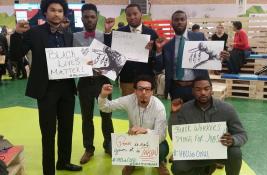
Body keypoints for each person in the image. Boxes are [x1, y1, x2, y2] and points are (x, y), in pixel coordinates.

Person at [9, 0, 82, 174]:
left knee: (66, 129)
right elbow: (16, 55)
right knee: (48, 133)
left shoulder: (68, 35)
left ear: (64, 14)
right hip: (46, 89)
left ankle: (63, 162)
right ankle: (48, 170)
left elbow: (75, 60)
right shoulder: (34, 33)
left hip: (66, 88)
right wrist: (16, 35)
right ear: (45, 12)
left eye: (60, 11)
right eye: (53, 10)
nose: (56, 14)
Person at [169, 75, 248, 175]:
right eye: (198, 89)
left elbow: (242, 134)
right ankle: (206, 169)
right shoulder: (184, 109)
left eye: (206, 89)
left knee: (235, 152)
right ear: (192, 91)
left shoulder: (227, 109)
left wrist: (233, 140)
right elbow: (175, 137)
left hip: (218, 153)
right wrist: (174, 114)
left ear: (211, 90)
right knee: (177, 167)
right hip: (194, 153)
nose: (203, 93)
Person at [98, 75, 170, 175]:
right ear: (135, 91)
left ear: (152, 92)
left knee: (163, 149)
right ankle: (131, 162)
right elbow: (105, 107)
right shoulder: (129, 100)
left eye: (147, 89)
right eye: (140, 89)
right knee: (111, 146)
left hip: (152, 140)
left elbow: (161, 134)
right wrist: (103, 96)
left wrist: (145, 131)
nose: (144, 93)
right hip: (133, 139)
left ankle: (158, 162)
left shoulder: (159, 107)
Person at [155, 10, 230, 102]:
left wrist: (221, 56)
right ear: (172, 23)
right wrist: (158, 51)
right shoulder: (167, 46)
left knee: (198, 115)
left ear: (186, 21)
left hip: (197, 87)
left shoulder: (199, 37)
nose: (179, 22)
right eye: (176, 20)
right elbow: (159, 67)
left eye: (182, 19)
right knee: (179, 115)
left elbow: (211, 55)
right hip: (176, 88)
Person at [73, 3, 115, 164]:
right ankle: (89, 148)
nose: (89, 20)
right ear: (82, 18)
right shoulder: (75, 37)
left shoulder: (105, 35)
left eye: (92, 17)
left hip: (102, 81)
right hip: (84, 82)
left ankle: (109, 145)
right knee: (86, 117)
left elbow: (114, 57)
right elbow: (72, 59)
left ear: (97, 17)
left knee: (107, 116)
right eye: (86, 17)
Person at [105, 3, 158, 96]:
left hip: (146, 80)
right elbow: (108, 50)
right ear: (126, 17)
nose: (132, 17)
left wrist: (150, 53)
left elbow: (157, 56)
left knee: (146, 108)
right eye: (129, 15)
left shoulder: (152, 33)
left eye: (135, 14)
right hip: (127, 79)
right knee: (129, 109)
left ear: (141, 14)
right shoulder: (119, 33)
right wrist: (108, 31)